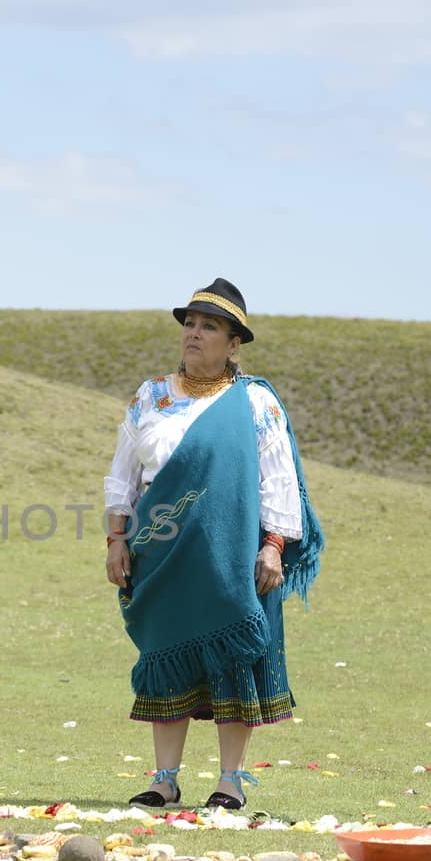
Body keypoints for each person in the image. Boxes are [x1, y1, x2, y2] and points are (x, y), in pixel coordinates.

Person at [103, 278, 323, 810]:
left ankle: (230, 781)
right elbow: (122, 476)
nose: (195, 335)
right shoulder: (150, 396)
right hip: (161, 553)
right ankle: (164, 779)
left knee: (231, 661)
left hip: (231, 556)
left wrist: (273, 546)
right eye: (190, 325)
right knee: (165, 656)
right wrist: (115, 537)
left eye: (209, 327)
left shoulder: (254, 401)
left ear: (233, 343)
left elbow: (278, 479)